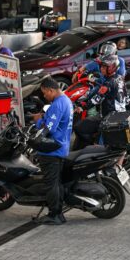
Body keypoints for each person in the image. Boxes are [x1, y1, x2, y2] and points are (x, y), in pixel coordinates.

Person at [32, 77, 73, 225]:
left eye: (45, 93)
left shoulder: (57, 104)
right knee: (57, 183)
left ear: (51, 90)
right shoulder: (66, 100)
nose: (44, 96)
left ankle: (54, 214)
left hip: (52, 150)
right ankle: (58, 213)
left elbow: (49, 128)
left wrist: (38, 121)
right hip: (62, 147)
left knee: (51, 184)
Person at [74, 54, 128, 147]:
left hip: (109, 118)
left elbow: (97, 99)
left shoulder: (108, 83)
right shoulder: (120, 79)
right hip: (118, 115)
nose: (101, 69)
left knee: (79, 127)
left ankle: (95, 145)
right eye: (101, 66)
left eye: (104, 67)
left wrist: (82, 107)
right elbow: (126, 97)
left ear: (111, 67)